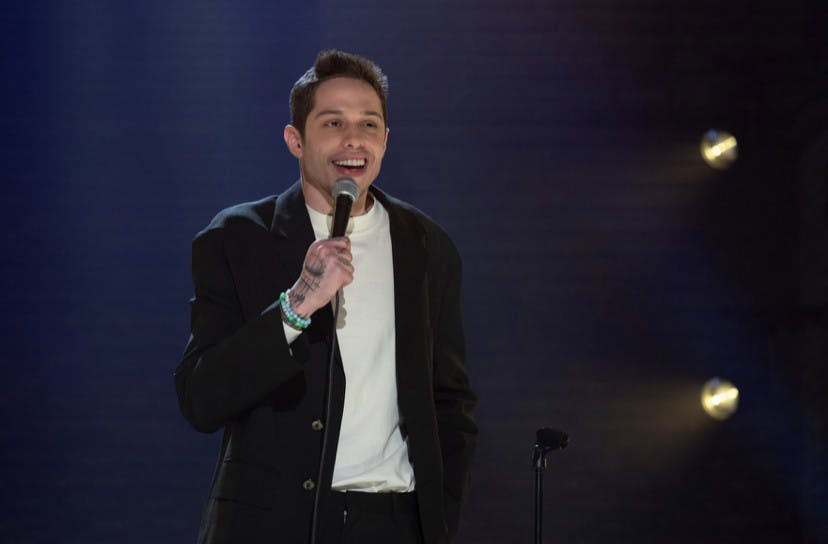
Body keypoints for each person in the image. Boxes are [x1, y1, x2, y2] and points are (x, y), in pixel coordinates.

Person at [175, 49, 477, 544]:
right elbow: (201, 399)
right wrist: (297, 304)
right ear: (295, 139)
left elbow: (451, 400)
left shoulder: (427, 245)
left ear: (385, 140)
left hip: (392, 522)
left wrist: (437, 517)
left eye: (368, 124)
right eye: (333, 123)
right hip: (272, 524)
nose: (353, 139)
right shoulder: (237, 238)